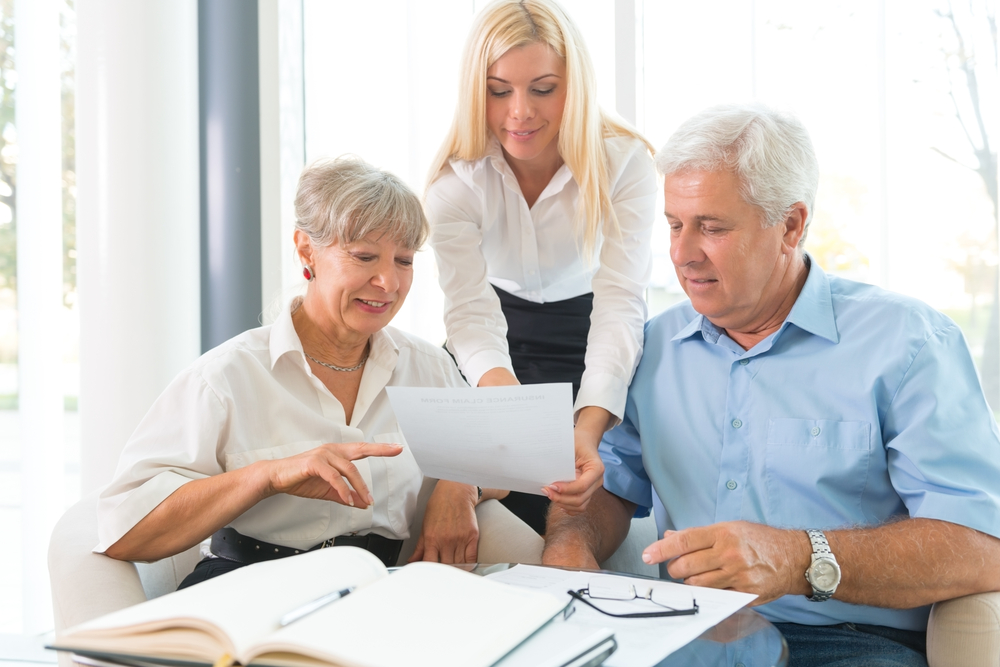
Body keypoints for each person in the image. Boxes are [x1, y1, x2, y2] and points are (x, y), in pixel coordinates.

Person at [542, 104, 1000, 666]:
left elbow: (980, 545)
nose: (683, 254)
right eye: (675, 225)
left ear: (790, 225)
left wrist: (796, 557)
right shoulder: (648, 348)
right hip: (684, 634)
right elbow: (608, 486)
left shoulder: (909, 343)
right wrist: (569, 541)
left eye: (711, 227)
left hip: (850, 641)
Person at [96, 156, 541, 586]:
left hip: (380, 591)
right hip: (245, 589)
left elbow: (503, 456)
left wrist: (461, 484)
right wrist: (268, 476)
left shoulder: (427, 368)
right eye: (365, 256)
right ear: (306, 249)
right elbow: (124, 527)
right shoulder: (225, 378)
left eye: (404, 260)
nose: (388, 282)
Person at [424, 0, 657, 535]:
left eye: (543, 88)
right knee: (450, 504)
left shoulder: (625, 162)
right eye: (499, 90)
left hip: (591, 337)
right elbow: (469, 315)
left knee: (568, 515)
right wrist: (512, 416)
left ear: (574, 84)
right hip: (489, 352)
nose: (520, 112)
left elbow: (620, 300)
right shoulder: (454, 182)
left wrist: (589, 421)